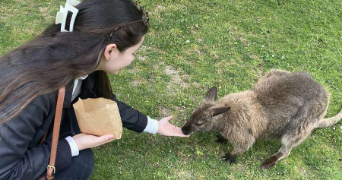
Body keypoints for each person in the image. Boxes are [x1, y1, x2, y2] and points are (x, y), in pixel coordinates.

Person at [0, 0, 188, 179]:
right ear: (110, 51)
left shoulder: (79, 58)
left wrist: (155, 126)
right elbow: (6, 173)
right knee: (81, 163)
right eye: (133, 53)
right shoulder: (36, 92)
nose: (133, 59)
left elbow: (102, 103)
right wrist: (73, 144)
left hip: (27, 137)